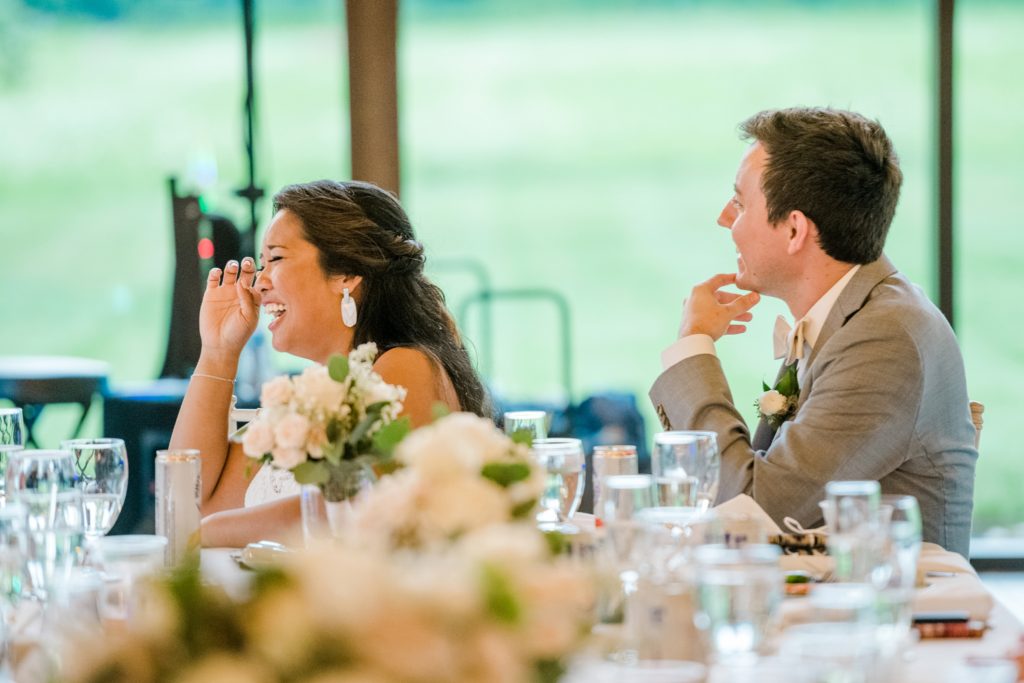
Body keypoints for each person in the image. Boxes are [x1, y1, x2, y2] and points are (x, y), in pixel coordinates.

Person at [649, 107, 977, 556]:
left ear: (794, 230)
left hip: (881, 598)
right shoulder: (851, 314)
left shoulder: (887, 339)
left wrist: (693, 349)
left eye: (740, 204)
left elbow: (753, 512)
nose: (725, 218)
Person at [169, 179, 488, 548]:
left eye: (276, 259)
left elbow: (364, 506)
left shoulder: (407, 366)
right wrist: (218, 352)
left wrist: (203, 535)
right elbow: (190, 500)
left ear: (346, 273)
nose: (259, 283)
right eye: (261, 263)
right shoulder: (316, 398)